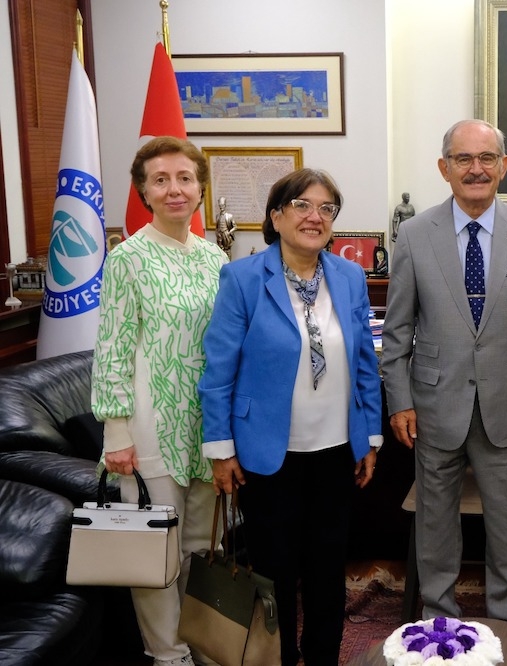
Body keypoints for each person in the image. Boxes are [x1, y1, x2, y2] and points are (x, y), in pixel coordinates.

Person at [381, 119, 507, 624]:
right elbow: (397, 332)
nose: (476, 169)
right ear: (445, 168)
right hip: (433, 407)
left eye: (487, 158)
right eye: (463, 159)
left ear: (504, 166)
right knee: (435, 523)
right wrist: (400, 401)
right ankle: (438, 617)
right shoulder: (414, 235)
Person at [198, 168, 382, 665]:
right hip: (266, 453)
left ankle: (323, 657)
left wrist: (370, 436)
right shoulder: (242, 278)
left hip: (335, 450)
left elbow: (364, 360)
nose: (314, 217)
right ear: (276, 216)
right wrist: (220, 449)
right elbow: (218, 370)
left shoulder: (349, 276)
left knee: (327, 569)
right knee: (274, 571)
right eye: (302, 205)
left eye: (326, 208)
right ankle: (277, 657)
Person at [91, 136, 228, 666]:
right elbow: (113, 348)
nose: (175, 189)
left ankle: (198, 643)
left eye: (185, 178)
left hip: (206, 426)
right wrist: (116, 431)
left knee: (200, 548)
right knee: (157, 551)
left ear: (200, 189)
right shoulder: (127, 258)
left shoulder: (215, 258)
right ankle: (168, 655)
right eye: (161, 180)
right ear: (144, 192)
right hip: (150, 425)